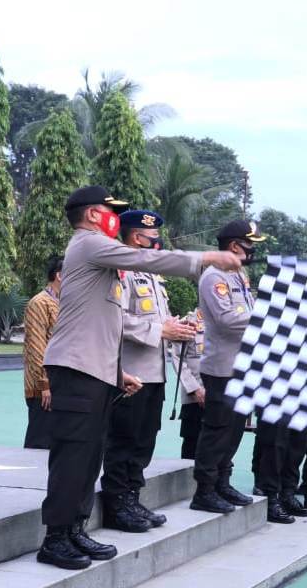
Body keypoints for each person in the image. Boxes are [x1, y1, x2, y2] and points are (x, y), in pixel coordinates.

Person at [36, 186, 241, 570]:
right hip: (75, 370)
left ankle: (75, 529)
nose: (116, 217)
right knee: (73, 457)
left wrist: (117, 373)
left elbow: (103, 326)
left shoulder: (98, 253)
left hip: (95, 371)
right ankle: (55, 538)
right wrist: (208, 258)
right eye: (112, 211)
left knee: (90, 456)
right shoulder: (88, 244)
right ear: (95, 215)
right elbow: (149, 260)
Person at [98, 210, 199, 532]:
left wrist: (180, 326)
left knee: (144, 441)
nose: (157, 240)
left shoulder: (152, 274)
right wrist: (160, 330)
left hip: (155, 373)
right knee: (123, 440)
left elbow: (161, 320)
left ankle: (132, 498)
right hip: (130, 372)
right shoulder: (121, 270)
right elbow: (115, 318)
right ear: (137, 237)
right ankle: (116, 504)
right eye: (152, 235)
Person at [192, 219, 274, 518]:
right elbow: (227, 320)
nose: (252, 250)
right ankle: (204, 490)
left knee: (236, 429)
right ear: (234, 246)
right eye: (249, 244)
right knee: (217, 429)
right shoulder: (214, 278)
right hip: (221, 367)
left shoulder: (238, 276)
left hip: (242, 366)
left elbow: (246, 313)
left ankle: (222, 482)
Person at [23, 256, 63, 450]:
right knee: (40, 442)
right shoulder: (39, 303)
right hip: (43, 389)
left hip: (62, 384)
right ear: (60, 276)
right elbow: (37, 347)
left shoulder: (68, 303)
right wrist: (44, 384)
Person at [174, 310, 206, 460]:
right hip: (196, 398)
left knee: (222, 444)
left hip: (221, 395)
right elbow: (176, 357)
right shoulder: (189, 322)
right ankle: (190, 483)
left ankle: (220, 482)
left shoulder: (226, 323)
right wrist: (194, 389)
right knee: (192, 447)